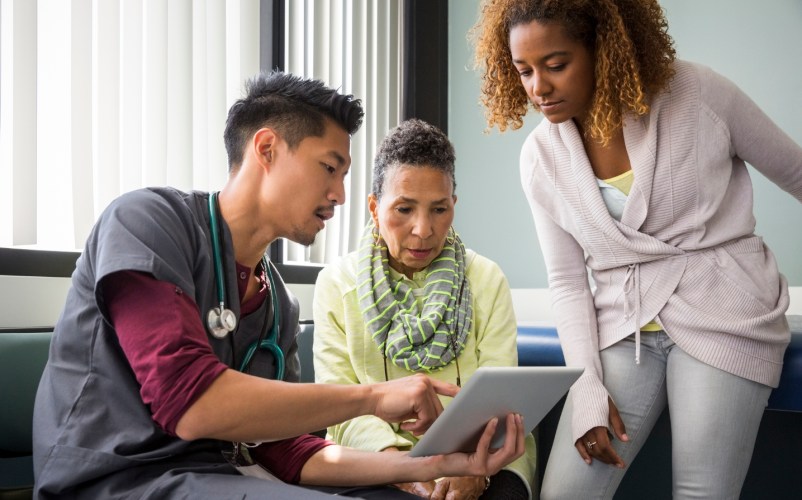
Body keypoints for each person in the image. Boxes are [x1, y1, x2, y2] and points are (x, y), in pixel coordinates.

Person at [32, 71, 527, 499]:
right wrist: (374, 397)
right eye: (329, 168)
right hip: (112, 481)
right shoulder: (146, 222)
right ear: (267, 148)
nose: (338, 195)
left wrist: (428, 466)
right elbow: (190, 401)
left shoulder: (277, 303)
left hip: (215, 478)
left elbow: (288, 449)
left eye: (344, 175)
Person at [470, 0, 802, 498]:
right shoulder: (540, 157)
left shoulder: (697, 93)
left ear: (602, 48)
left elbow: (796, 172)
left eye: (556, 65)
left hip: (724, 309)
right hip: (623, 326)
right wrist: (585, 391)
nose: (539, 87)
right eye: (524, 71)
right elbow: (566, 281)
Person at [312, 118, 537, 500]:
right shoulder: (337, 284)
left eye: (438, 209)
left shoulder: (485, 279)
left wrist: (472, 468)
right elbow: (340, 407)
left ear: (454, 206)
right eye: (404, 209)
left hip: (486, 453)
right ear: (374, 207)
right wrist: (403, 465)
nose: (423, 229)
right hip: (377, 459)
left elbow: (500, 398)